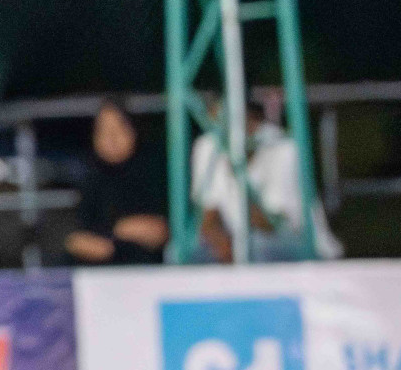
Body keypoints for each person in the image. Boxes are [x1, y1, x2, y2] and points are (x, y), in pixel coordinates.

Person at [192, 99, 342, 263]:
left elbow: (269, 223)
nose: (220, 130)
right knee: (187, 251)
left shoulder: (283, 147)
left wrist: (236, 170)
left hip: (301, 244)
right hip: (238, 241)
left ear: (251, 120)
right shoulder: (207, 146)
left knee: (256, 247)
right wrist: (220, 243)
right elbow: (208, 217)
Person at [65, 99, 168, 265]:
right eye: (103, 131)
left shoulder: (154, 172)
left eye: (119, 128)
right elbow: (76, 239)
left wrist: (116, 232)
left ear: (133, 131)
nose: (111, 139)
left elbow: (159, 231)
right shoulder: (91, 179)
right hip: (96, 275)